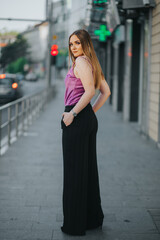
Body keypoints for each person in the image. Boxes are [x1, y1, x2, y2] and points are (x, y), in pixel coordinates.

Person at [60, 29, 111, 236]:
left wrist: (73, 114)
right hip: (85, 118)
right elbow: (105, 92)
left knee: (74, 173)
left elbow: (91, 91)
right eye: (71, 43)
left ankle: (75, 224)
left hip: (76, 118)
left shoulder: (81, 62)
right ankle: (91, 219)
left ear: (85, 44)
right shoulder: (91, 63)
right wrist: (88, 113)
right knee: (87, 170)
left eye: (77, 43)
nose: (73, 47)